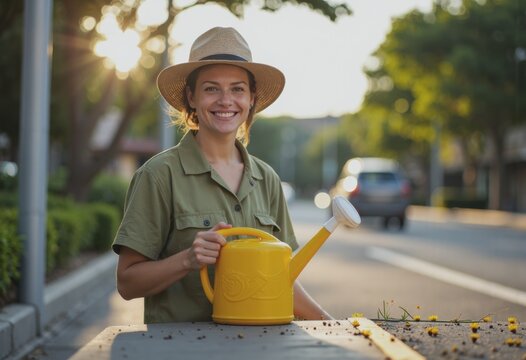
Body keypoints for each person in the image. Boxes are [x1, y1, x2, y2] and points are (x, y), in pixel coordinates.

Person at [112, 27, 333, 323]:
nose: (226, 100)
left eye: (238, 89)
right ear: (191, 97)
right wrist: (187, 260)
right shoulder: (158, 176)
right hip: (179, 349)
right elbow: (127, 283)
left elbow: (283, 279)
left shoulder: (267, 179)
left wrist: (333, 325)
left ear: (252, 98)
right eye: (211, 88)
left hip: (262, 347)